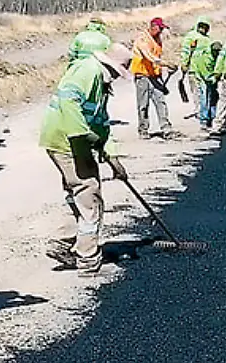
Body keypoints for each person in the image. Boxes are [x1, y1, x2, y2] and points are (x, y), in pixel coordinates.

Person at [41, 45, 131, 277]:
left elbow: (101, 122)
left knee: (77, 193)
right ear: (109, 66)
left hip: (68, 141)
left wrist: (112, 157)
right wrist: (81, 134)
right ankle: (88, 259)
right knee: (90, 196)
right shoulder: (87, 71)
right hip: (67, 141)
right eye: (117, 72)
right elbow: (68, 100)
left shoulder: (101, 84)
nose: (116, 78)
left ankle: (64, 242)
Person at [131, 17, 178, 140]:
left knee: (160, 102)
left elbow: (158, 57)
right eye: (160, 28)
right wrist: (166, 63)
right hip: (142, 76)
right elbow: (150, 57)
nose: (161, 31)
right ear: (153, 27)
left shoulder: (158, 40)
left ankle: (166, 128)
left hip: (155, 76)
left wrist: (167, 70)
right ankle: (143, 130)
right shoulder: (142, 40)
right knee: (143, 104)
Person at [180, 18, 219, 130]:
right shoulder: (191, 37)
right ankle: (201, 115)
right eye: (201, 26)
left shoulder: (207, 39)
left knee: (207, 95)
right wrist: (184, 64)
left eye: (205, 26)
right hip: (194, 69)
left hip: (206, 69)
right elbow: (186, 51)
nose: (203, 28)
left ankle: (207, 116)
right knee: (200, 94)